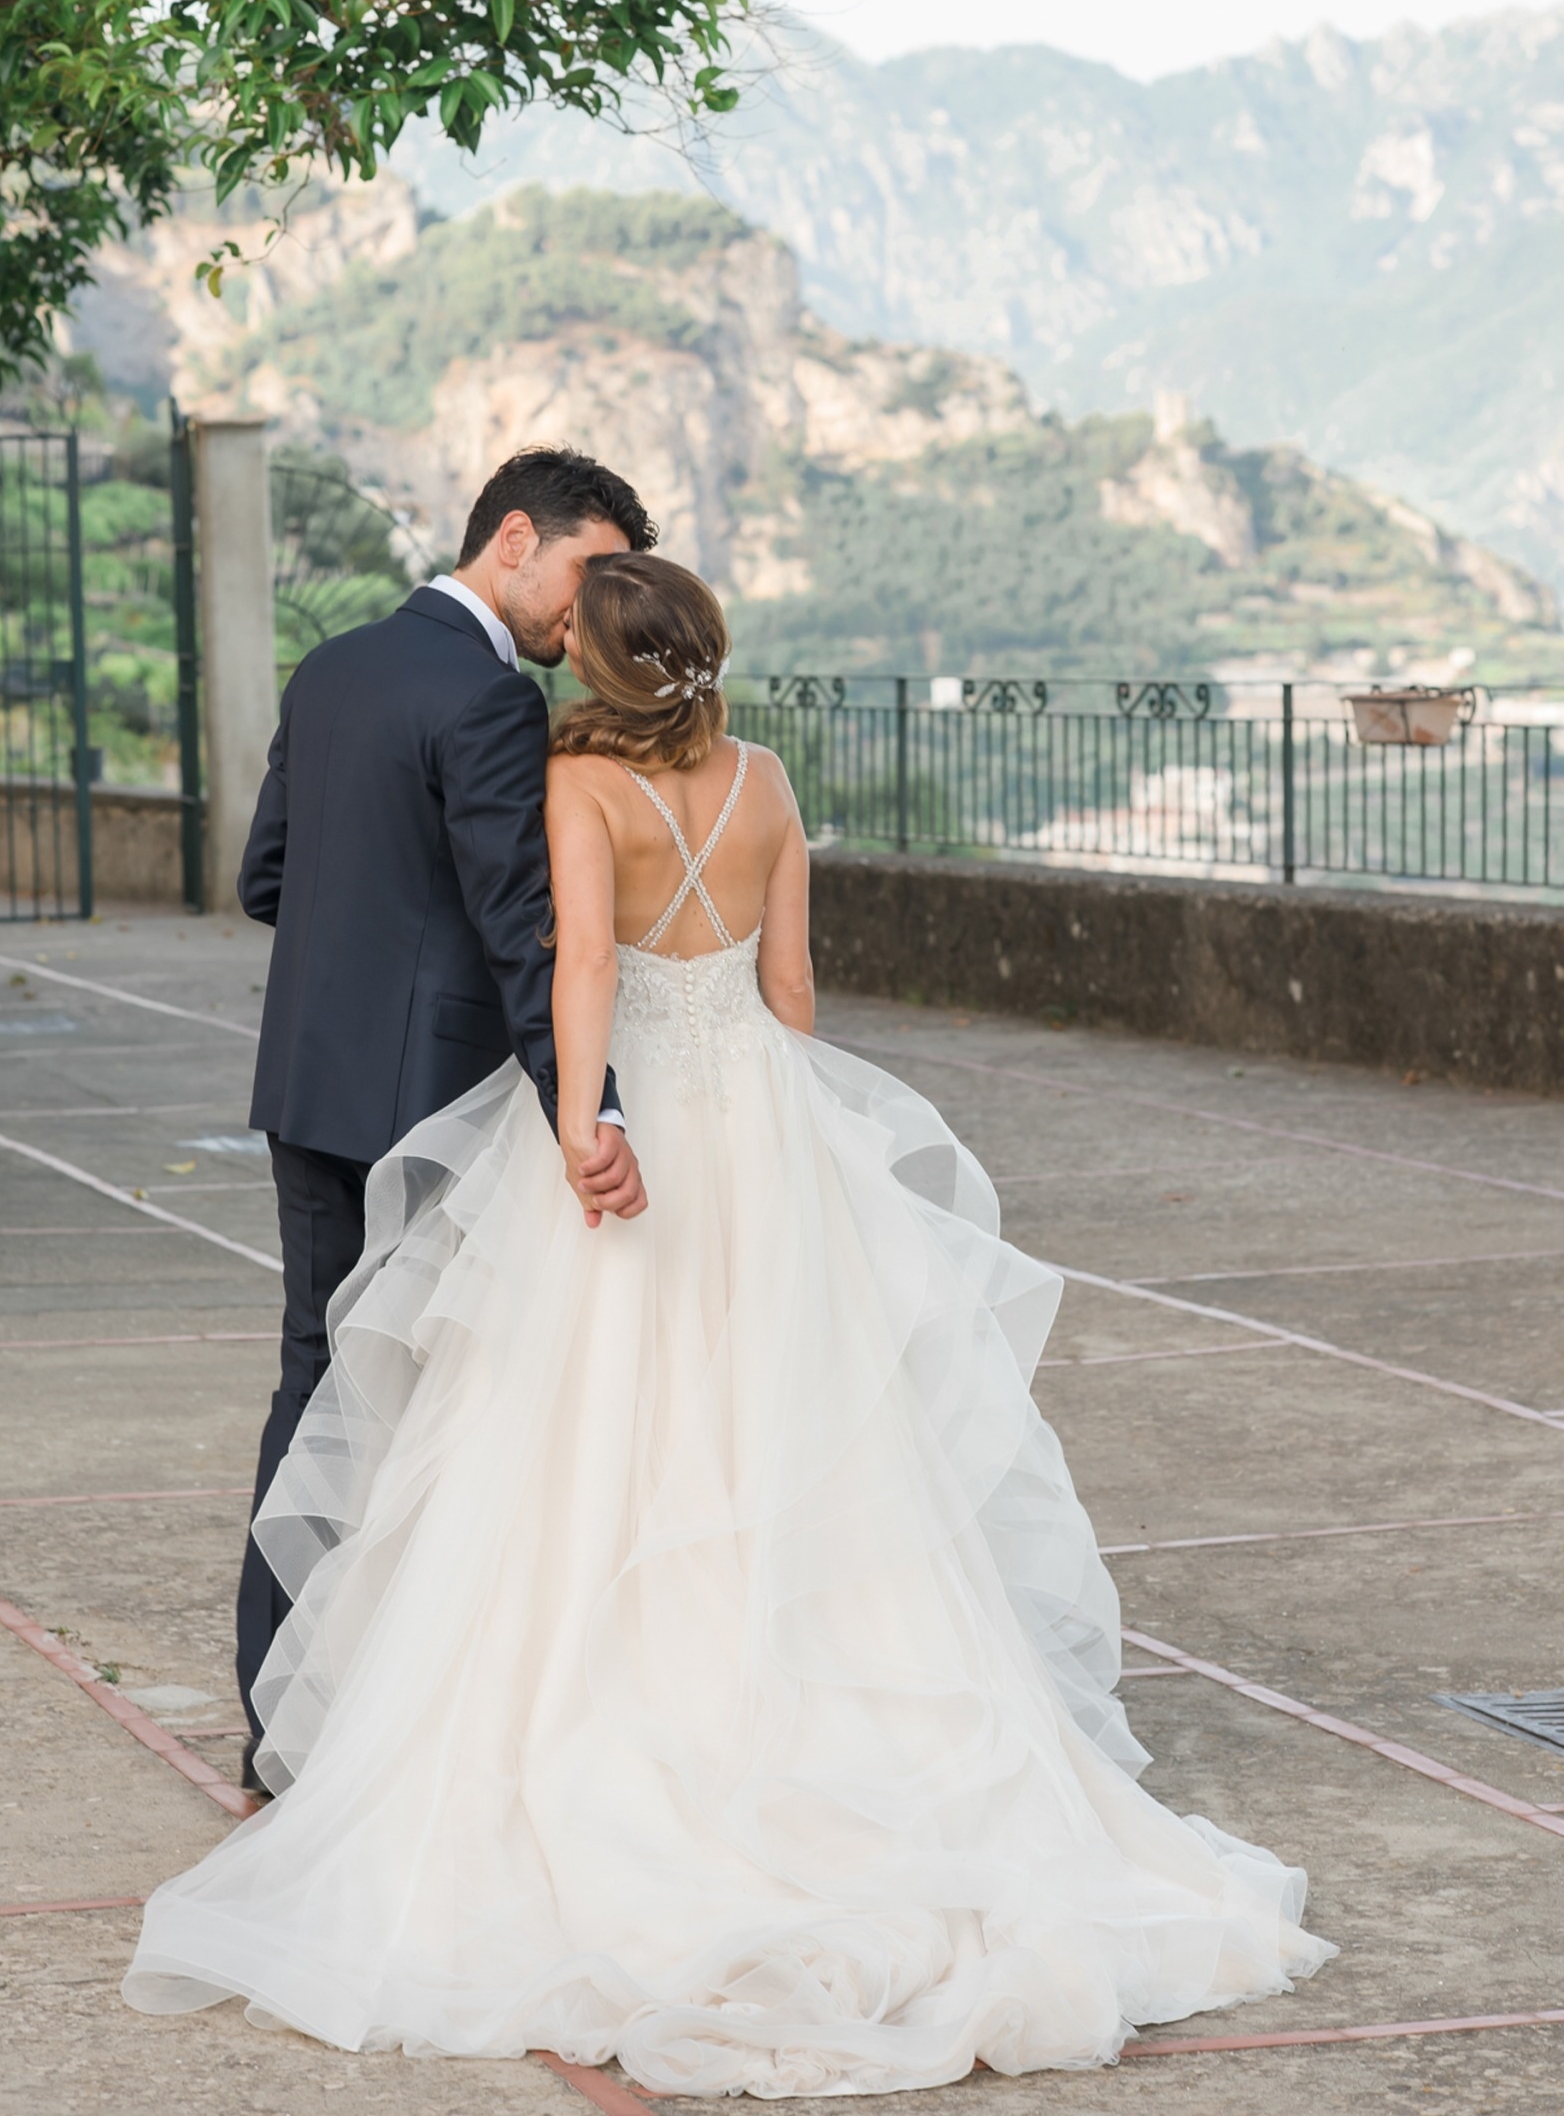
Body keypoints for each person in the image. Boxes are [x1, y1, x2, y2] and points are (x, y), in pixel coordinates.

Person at [127, 552, 1333, 2089]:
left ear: (597, 673)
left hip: (633, 1134)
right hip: (764, 1129)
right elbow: (794, 988)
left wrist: (581, 1124)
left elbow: (575, 964)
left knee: (592, 1437)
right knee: (799, 1423)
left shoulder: (577, 787)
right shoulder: (765, 782)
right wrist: (774, 1118)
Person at [230, 450, 655, 1789]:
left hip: (308, 1086)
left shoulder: (334, 663)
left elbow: (266, 879)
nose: (585, 613)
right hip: (428, 1104)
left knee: (317, 1377)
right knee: (439, 1397)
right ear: (513, 538)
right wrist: (590, 1106)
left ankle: (277, 1720)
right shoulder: (487, 696)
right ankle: (399, 1731)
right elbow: (523, 933)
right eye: (586, 574)